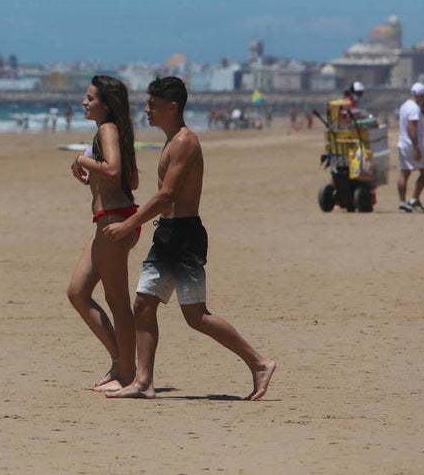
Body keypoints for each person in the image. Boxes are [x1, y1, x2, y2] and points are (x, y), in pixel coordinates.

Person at [102, 76, 276, 401]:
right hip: (167, 234)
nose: (146, 110)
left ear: (172, 107)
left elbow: (167, 195)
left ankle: (259, 363)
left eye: (152, 105)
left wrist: (128, 225)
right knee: (143, 304)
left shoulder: (185, 142)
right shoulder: (171, 141)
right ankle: (143, 382)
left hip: (184, 237)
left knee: (196, 316)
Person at [67, 76, 141, 392]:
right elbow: (130, 179)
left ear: (106, 105)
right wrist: (93, 181)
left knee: (117, 301)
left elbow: (111, 169)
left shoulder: (107, 130)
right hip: (107, 219)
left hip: (115, 222)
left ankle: (126, 373)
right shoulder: (114, 132)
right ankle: (119, 361)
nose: (84, 102)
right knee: (77, 292)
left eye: (90, 98)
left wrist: (82, 160)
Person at [397, 83, 424, 213]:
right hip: (412, 145)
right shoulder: (414, 109)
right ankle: (414, 199)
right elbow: (411, 127)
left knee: (404, 173)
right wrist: (416, 147)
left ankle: (402, 202)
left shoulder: (405, 106)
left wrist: (422, 109)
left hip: (403, 144)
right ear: (421, 95)